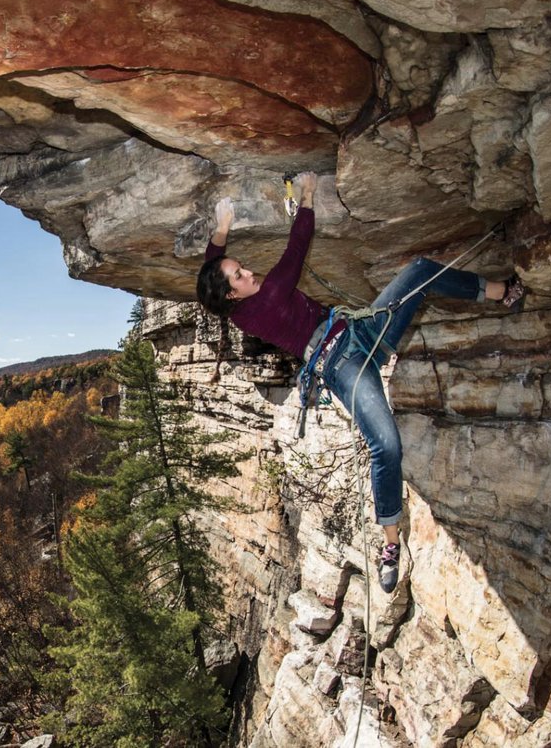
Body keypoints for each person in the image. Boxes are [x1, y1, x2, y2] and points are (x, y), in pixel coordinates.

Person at [195, 171, 525, 593]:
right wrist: (309, 195)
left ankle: (502, 293)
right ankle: (390, 542)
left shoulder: (234, 300)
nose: (248, 271)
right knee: (384, 443)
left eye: (240, 266)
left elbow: (210, 267)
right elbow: (295, 251)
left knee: (419, 273)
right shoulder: (264, 301)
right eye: (238, 275)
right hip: (340, 365)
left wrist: (221, 231)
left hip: (361, 330)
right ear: (232, 298)